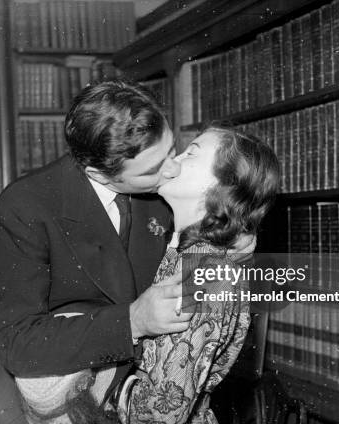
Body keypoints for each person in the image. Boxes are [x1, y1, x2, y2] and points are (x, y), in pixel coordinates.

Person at [0, 79, 186, 424]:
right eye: (154, 168)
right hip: (57, 396)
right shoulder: (25, 206)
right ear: (98, 173)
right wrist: (133, 321)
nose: (174, 169)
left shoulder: (168, 186)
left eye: (173, 149)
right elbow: (18, 342)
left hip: (144, 386)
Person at [119, 125, 279, 423]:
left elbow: (161, 414)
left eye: (190, 153)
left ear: (224, 185)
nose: (172, 161)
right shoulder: (182, 252)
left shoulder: (208, 273)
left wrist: (99, 387)